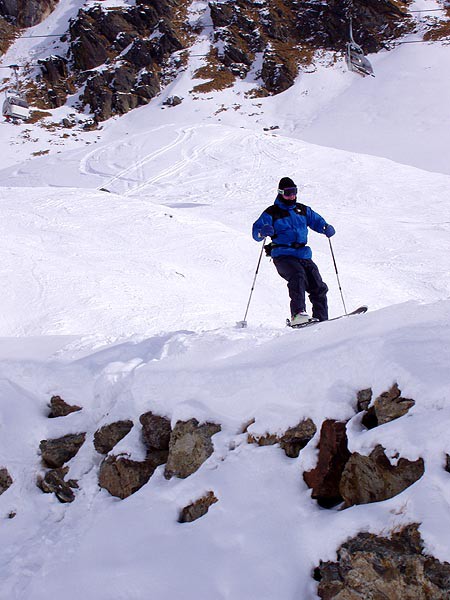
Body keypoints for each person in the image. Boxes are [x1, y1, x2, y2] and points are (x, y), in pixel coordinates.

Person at [252, 177, 335, 326]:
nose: (292, 196)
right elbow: (256, 232)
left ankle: (322, 319)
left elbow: (316, 220)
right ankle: (298, 315)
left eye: (294, 192)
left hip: (303, 253)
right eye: (288, 192)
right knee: (298, 276)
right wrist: (262, 232)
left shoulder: (302, 210)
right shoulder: (272, 213)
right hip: (283, 255)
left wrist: (325, 227)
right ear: (280, 193)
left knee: (318, 285)